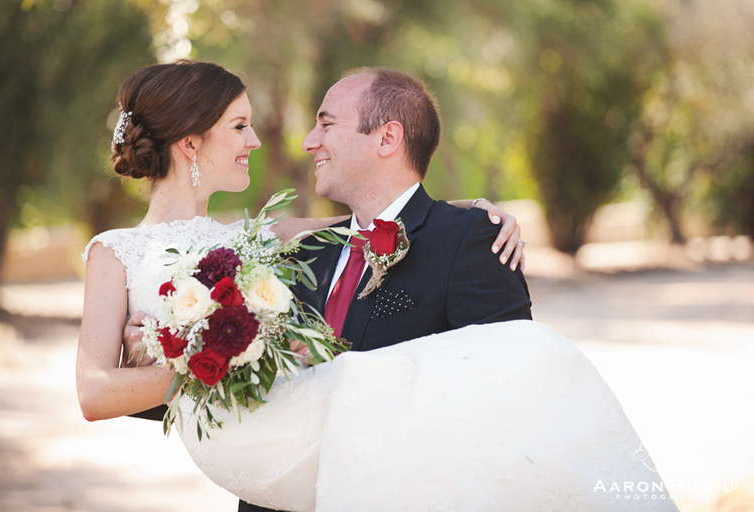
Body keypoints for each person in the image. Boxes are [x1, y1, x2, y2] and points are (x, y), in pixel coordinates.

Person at [114, 65, 677, 512]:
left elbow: (511, 407)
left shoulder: (471, 243)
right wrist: (177, 350)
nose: (309, 141)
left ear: (387, 138)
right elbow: (245, 380)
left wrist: (473, 218)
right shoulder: (288, 253)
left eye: (326, 123)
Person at [76, 61, 522, 423]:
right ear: (191, 142)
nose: (254, 140)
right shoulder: (114, 252)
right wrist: (210, 361)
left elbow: (379, 217)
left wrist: (479, 208)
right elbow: (95, 394)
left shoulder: (263, 238)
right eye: (239, 126)